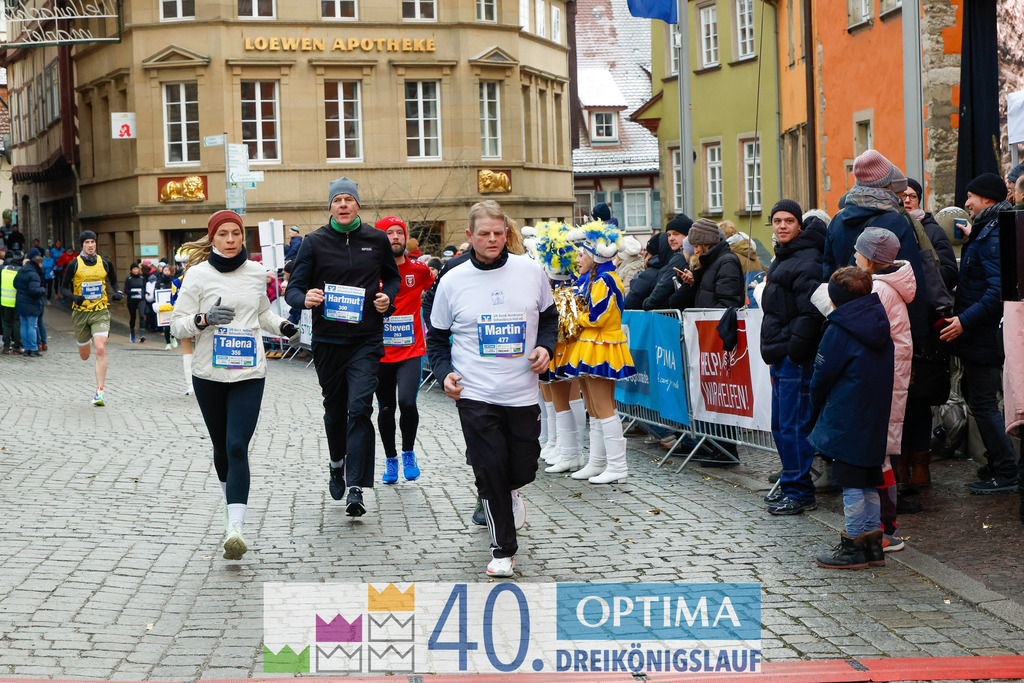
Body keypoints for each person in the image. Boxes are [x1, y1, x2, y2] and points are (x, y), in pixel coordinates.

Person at [427, 200, 557, 577]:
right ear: (470, 236)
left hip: (521, 390)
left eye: (498, 233)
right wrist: (444, 372)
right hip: (475, 391)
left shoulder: (530, 271)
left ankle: (514, 490)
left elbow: (550, 318)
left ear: (507, 233)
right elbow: (436, 338)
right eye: (484, 234)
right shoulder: (452, 280)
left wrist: (545, 347)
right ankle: (503, 550)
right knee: (489, 468)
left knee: (522, 465)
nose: (492, 239)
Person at [171, 210, 297, 561]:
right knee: (221, 446)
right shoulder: (197, 275)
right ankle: (231, 507)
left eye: (236, 233)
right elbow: (177, 325)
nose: (230, 240)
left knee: (237, 444)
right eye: (223, 234)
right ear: (212, 238)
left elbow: (261, 314)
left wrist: (282, 326)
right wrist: (203, 319)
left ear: (244, 237)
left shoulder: (257, 273)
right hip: (209, 374)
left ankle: (235, 528)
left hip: (249, 373)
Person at [284, 177, 400, 517]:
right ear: (331, 206)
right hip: (328, 341)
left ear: (358, 205)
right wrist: (304, 298)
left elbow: (391, 278)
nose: (344, 205)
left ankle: (355, 485)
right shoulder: (315, 242)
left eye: (350, 199)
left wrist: (386, 298)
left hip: (366, 340)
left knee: (360, 408)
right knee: (335, 411)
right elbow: (294, 288)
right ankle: (336, 463)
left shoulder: (376, 240)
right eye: (338, 200)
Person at [940, 173, 1018, 494]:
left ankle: (1007, 470)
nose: (966, 202)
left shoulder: (995, 232)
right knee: (977, 397)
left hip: (984, 337)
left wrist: (963, 321)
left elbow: (996, 292)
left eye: (971, 196)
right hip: (978, 337)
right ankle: (997, 462)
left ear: (987, 198)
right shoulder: (988, 228)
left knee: (984, 402)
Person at [811, 267, 894, 569]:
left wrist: (814, 406)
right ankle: (873, 544)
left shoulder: (840, 328)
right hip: (873, 413)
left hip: (846, 414)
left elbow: (822, 375)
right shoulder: (878, 321)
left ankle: (853, 545)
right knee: (869, 478)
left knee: (850, 481)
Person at [760, 200, 826, 516]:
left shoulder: (808, 259)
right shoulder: (784, 256)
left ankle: (800, 491)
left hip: (794, 356)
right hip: (781, 353)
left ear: (799, 224)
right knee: (780, 425)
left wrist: (794, 350)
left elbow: (811, 310)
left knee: (793, 425)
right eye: (777, 221)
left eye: (788, 221)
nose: (782, 225)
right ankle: (790, 485)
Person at [559, 221, 637, 484]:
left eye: (581, 253)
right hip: (591, 344)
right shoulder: (592, 279)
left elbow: (597, 316)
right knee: (593, 407)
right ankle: (597, 462)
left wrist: (573, 315)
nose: (577, 258)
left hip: (602, 345)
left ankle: (617, 466)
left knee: (604, 407)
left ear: (594, 255)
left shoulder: (605, 279)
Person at [853, 228, 915, 551]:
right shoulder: (885, 288)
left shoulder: (879, 290)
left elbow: (871, 334)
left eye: (858, 252)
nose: (853, 255)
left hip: (884, 381)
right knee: (882, 454)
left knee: (880, 456)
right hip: (890, 379)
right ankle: (883, 526)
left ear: (871, 260)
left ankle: (886, 529)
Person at [823, 150, 926, 335]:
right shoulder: (896, 222)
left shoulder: (837, 220)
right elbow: (909, 279)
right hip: (884, 323)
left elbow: (827, 272)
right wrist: (918, 331)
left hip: (844, 320)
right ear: (887, 183)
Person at [374, 216, 433, 484]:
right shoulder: (371, 271)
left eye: (399, 233)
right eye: (389, 233)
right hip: (381, 353)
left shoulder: (420, 270)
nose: (395, 237)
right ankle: (390, 459)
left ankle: (408, 452)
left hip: (411, 351)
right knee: (385, 408)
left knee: (407, 403)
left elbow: (437, 296)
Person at [60, 231, 123, 405]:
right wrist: (75, 298)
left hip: (100, 311)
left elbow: (114, 282)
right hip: (80, 313)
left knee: (100, 348)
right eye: (87, 242)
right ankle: (84, 342)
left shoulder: (105, 263)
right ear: (82, 244)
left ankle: (99, 392)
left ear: (96, 244)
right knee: (85, 356)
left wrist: (117, 292)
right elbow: (63, 289)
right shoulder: (74, 264)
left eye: (93, 242)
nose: (90, 245)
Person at [13, 250, 45, 357]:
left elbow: (15, 284)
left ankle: (26, 348)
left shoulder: (22, 270)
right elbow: (34, 291)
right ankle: (33, 348)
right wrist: (42, 290)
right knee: (32, 325)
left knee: (24, 325)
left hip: (21, 302)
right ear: (38, 264)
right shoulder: (34, 274)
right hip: (31, 303)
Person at [1, 251, 22, 354]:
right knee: (17, 323)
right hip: (16, 301)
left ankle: (6, 346)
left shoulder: (4, 270)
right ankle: (17, 346)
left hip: (4, 300)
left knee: (7, 323)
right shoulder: (19, 272)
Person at [124, 263, 147, 343]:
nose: (135, 270)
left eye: (137, 269)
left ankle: (142, 334)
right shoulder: (129, 279)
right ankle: (132, 333)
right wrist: (133, 293)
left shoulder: (142, 278)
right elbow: (125, 290)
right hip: (131, 300)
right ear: (131, 270)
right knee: (133, 317)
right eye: (134, 269)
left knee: (141, 315)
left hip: (141, 299)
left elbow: (144, 287)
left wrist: (145, 292)